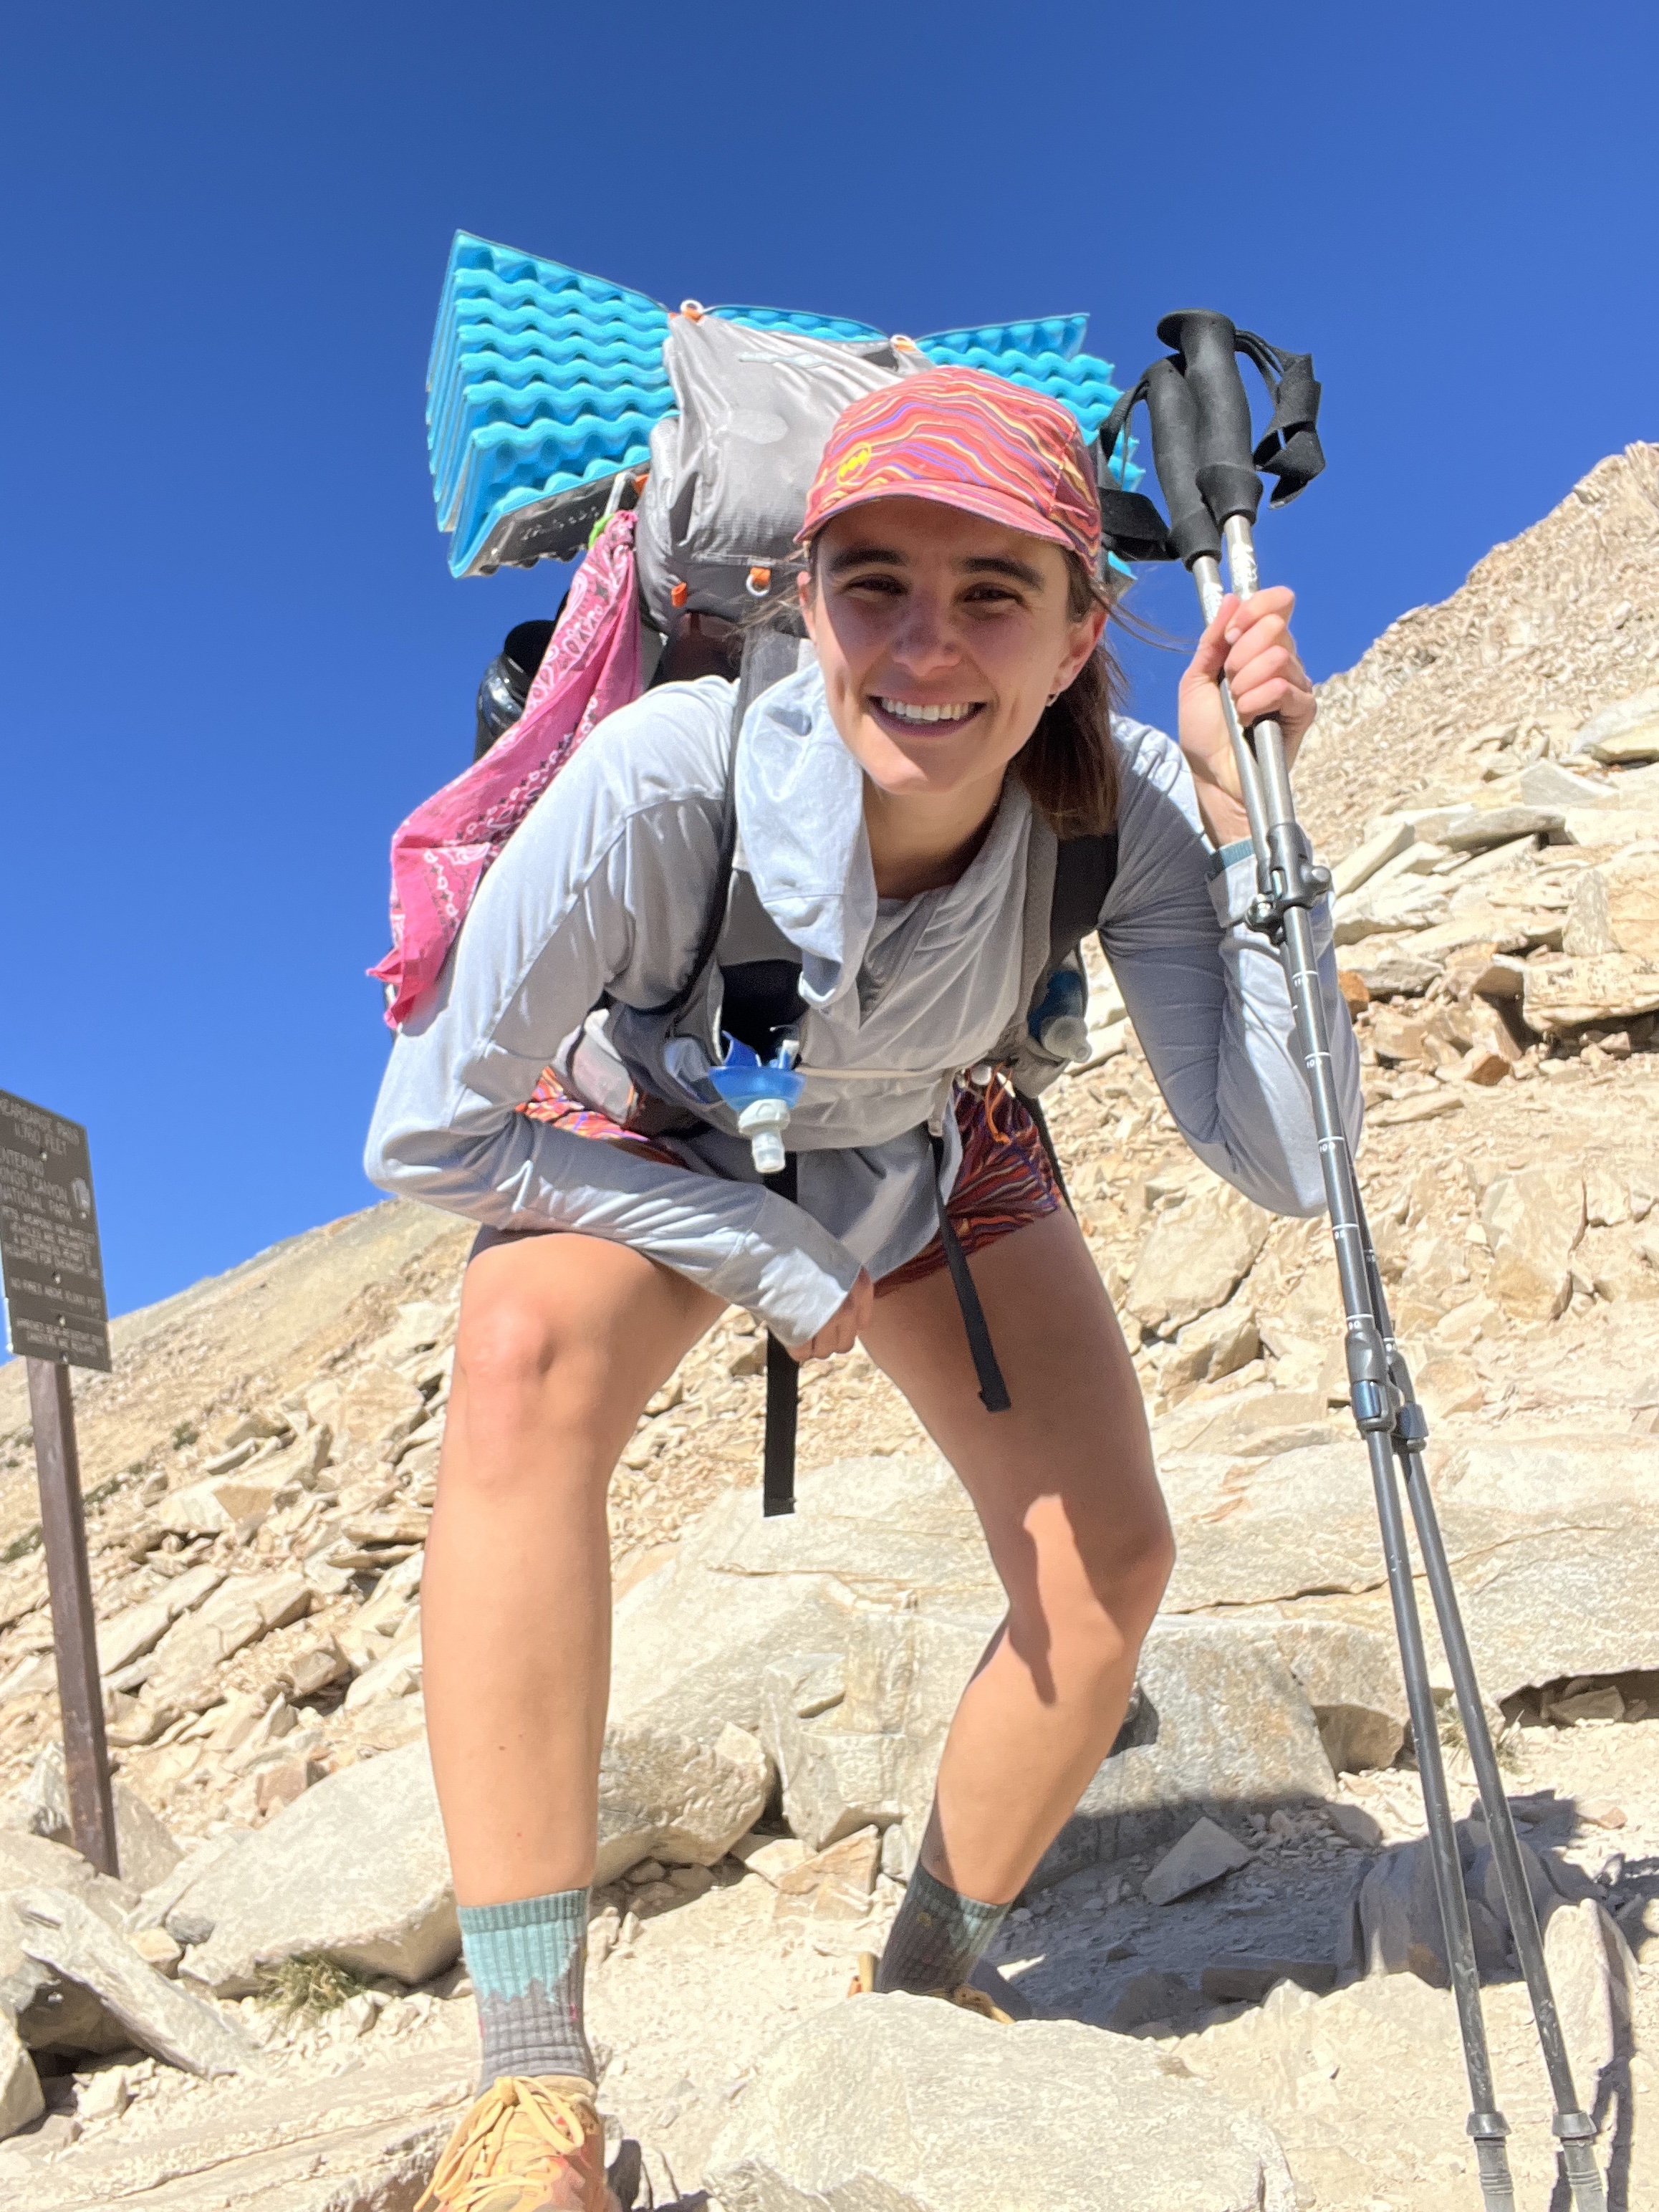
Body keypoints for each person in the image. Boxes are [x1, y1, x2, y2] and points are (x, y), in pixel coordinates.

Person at [366, 365, 1357, 2212]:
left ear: (1077, 636)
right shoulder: (668, 778)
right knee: (517, 1356)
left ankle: (928, 1978)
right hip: (666, 1125)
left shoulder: (1127, 809)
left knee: (1110, 1560)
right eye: (875, 580)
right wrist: (767, 1255)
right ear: (797, 596)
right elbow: (429, 1136)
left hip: (931, 1130)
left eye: (997, 591)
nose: (927, 642)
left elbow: (1293, 1166)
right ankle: (529, 2099)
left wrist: (1248, 825)